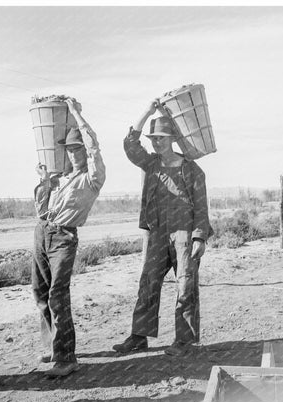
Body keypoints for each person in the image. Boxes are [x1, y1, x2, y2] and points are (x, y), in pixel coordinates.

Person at [113, 100, 213, 356]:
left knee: (185, 286)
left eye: (162, 138)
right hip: (158, 234)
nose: (157, 142)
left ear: (172, 139)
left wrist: (199, 237)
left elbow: (201, 208)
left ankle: (184, 341)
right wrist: (147, 111)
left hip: (184, 235)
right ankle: (138, 337)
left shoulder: (192, 170)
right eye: (154, 138)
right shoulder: (151, 164)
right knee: (148, 282)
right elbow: (130, 145)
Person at [32, 97, 106, 376]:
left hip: (64, 237)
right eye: (70, 149)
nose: (74, 153)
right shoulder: (61, 177)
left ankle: (66, 358)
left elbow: (94, 146)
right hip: (42, 233)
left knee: (57, 294)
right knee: (40, 292)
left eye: (78, 149)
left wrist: (75, 112)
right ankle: (53, 347)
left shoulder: (92, 178)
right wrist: (44, 183)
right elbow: (41, 210)